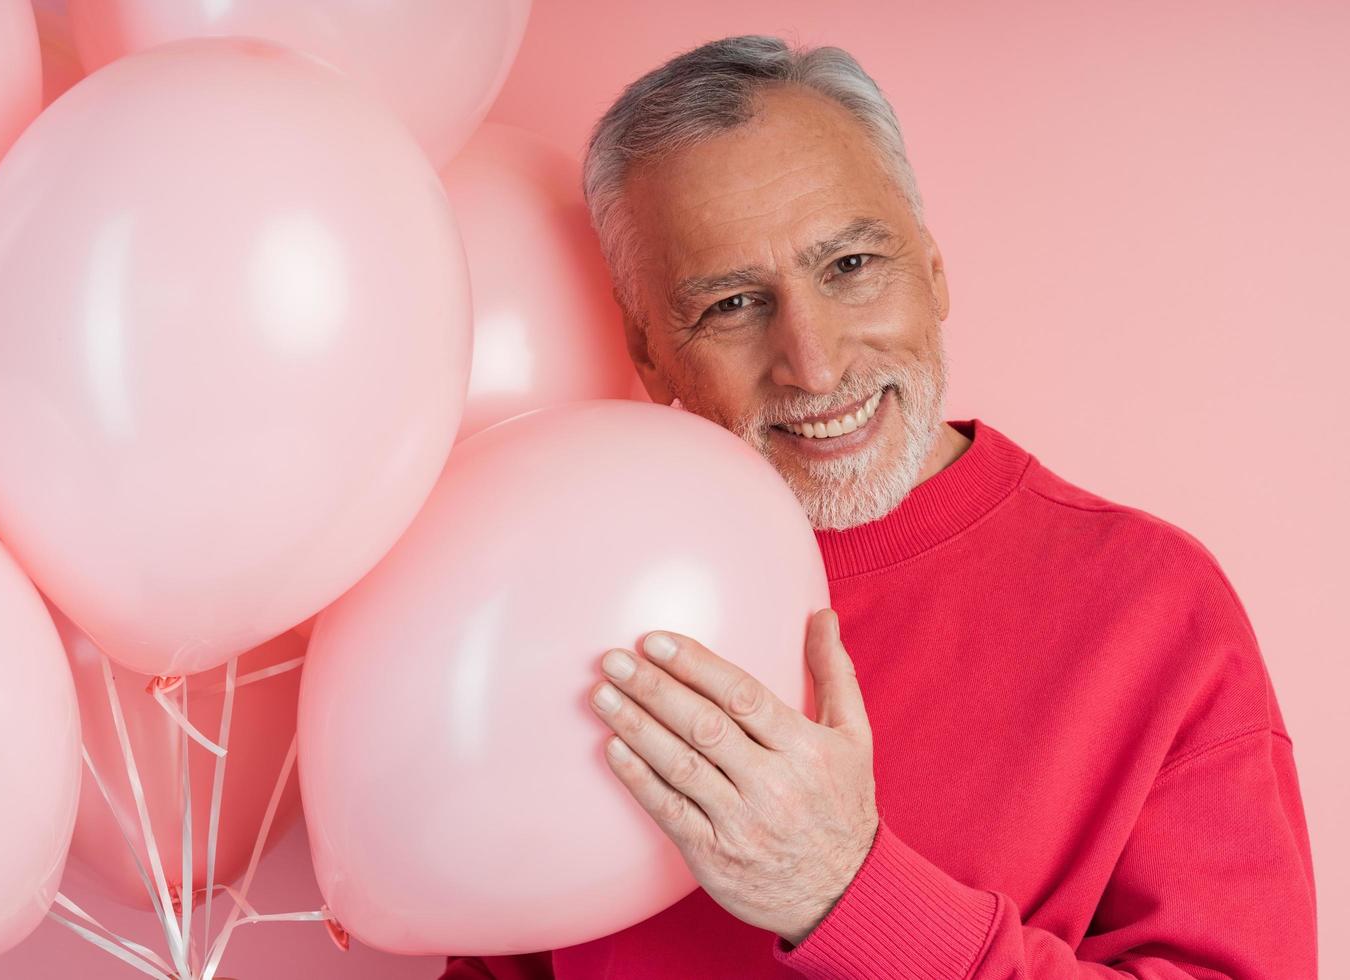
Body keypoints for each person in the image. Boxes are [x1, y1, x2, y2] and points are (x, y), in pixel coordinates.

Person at [443, 35, 1317, 978]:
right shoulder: (561, 600)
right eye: (734, 303)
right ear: (650, 352)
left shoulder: (1155, 607)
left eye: (852, 265)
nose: (815, 365)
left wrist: (844, 892)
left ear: (934, 271)